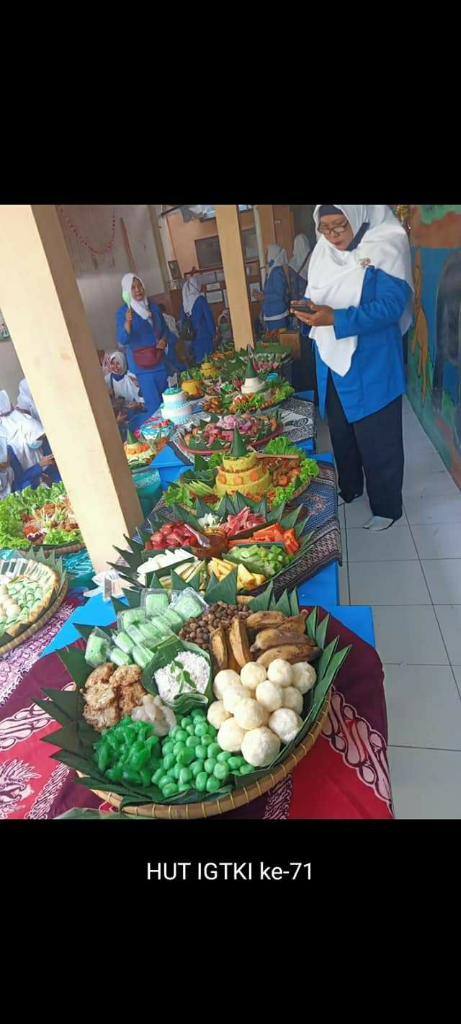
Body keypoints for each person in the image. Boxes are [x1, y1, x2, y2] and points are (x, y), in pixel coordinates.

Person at [292, 205, 413, 531]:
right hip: (332, 363)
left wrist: (335, 317)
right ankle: (350, 488)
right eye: (325, 227)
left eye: (339, 225)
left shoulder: (386, 244)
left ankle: (388, 507)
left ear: (357, 216)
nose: (332, 235)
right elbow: (314, 293)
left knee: (378, 438)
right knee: (342, 434)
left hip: (371, 362)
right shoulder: (322, 252)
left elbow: (391, 306)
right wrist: (308, 312)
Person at [116, 274, 184, 417]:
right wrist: (127, 323)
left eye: (139, 285)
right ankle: (163, 438)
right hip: (143, 368)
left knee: (171, 403)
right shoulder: (123, 312)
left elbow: (164, 329)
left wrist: (164, 339)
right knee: (155, 408)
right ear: (127, 292)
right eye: (133, 288)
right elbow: (123, 340)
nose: (138, 290)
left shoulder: (153, 307)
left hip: (160, 362)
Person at [0, 389, 60, 483]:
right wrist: (39, 466)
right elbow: (19, 482)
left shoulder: (29, 425)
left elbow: (48, 453)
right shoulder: (11, 450)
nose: (39, 440)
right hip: (30, 483)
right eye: (38, 438)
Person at [104, 351, 148, 432]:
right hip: (119, 414)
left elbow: (142, 395)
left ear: (123, 363)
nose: (115, 367)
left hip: (134, 411)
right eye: (112, 363)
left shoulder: (131, 377)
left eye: (118, 363)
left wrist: (137, 404)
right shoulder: (107, 380)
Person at [180, 273, 216, 363]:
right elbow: (208, 317)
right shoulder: (200, 299)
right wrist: (213, 332)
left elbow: (182, 320)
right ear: (196, 285)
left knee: (200, 360)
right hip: (204, 333)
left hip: (193, 335)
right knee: (209, 360)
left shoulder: (184, 302)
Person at [254, 245, 290, 332]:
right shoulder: (271, 271)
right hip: (271, 315)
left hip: (277, 315)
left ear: (272, 255)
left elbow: (279, 294)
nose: (266, 256)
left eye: (267, 254)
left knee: (278, 343)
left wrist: (263, 297)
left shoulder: (277, 273)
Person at [288, 234, 312, 301]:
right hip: (311, 295)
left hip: (298, 297)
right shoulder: (312, 258)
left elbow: (293, 286)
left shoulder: (292, 262)